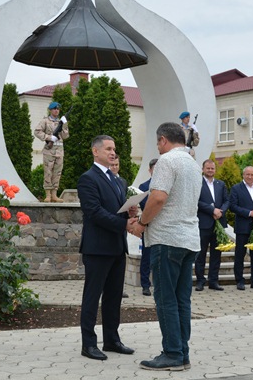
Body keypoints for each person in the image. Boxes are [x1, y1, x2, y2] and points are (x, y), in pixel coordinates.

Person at [130, 122, 202, 371]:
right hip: (189, 239)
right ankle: (182, 352)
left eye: (157, 142)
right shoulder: (193, 164)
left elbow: (158, 197)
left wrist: (140, 223)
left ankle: (172, 353)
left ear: (163, 140)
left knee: (166, 299)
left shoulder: (167, 162)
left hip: (167, 238)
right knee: (182, 299)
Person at [77, 135, 138, 361]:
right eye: (109, 149)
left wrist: (129, 212)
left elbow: (116, 209)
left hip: (116, 247)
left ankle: (111, 339)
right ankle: (88, 344)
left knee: (113, 297)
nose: (113, 153)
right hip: (97, 248)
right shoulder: (88, 179)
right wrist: (124, 224)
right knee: (92, 297)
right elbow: (94, 212)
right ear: (95, 151)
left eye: (114, 149)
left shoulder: (117, 180)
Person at [194, 159, 229, 291]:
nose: (210, 170)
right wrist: (211, 210)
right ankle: (200, 280)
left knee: (217, 254)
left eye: (212, 168)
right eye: (208, 168)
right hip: (204, 224)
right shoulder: (197, 183)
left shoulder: (221, 184)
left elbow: (227, 201)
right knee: (201, 254)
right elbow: (196, 201)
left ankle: (213, 281)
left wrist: (221, 211)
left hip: (218, 223)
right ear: (203, 169)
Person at [34, 101, 69, 203]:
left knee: (57, 173)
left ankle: (54, 195)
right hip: (49, 150)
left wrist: (65, 124)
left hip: (59, 151)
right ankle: (48, 195)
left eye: (58, 109)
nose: (56, 110)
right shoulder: (45, 121)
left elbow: (65, 136)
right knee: (48, 172)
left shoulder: (61, 122)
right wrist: (49, 137)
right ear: (50, 110)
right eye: (54, 109)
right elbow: (37, 131)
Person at [109, 154, 130, 299]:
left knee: (120, 262)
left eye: (117, 165)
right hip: (111, 224)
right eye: (112, 165)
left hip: (122, 227)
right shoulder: (103, 181)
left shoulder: (122, 182)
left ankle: (118, 288)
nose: (115, 168)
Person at [138, 158, 158, 297]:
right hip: (149, 226)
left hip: (164, 227)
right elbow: (145, 205)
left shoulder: (168, 185)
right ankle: (145, 285)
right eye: (155, 169)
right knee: (146, 256)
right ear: (150, 170)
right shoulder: (143, 187)